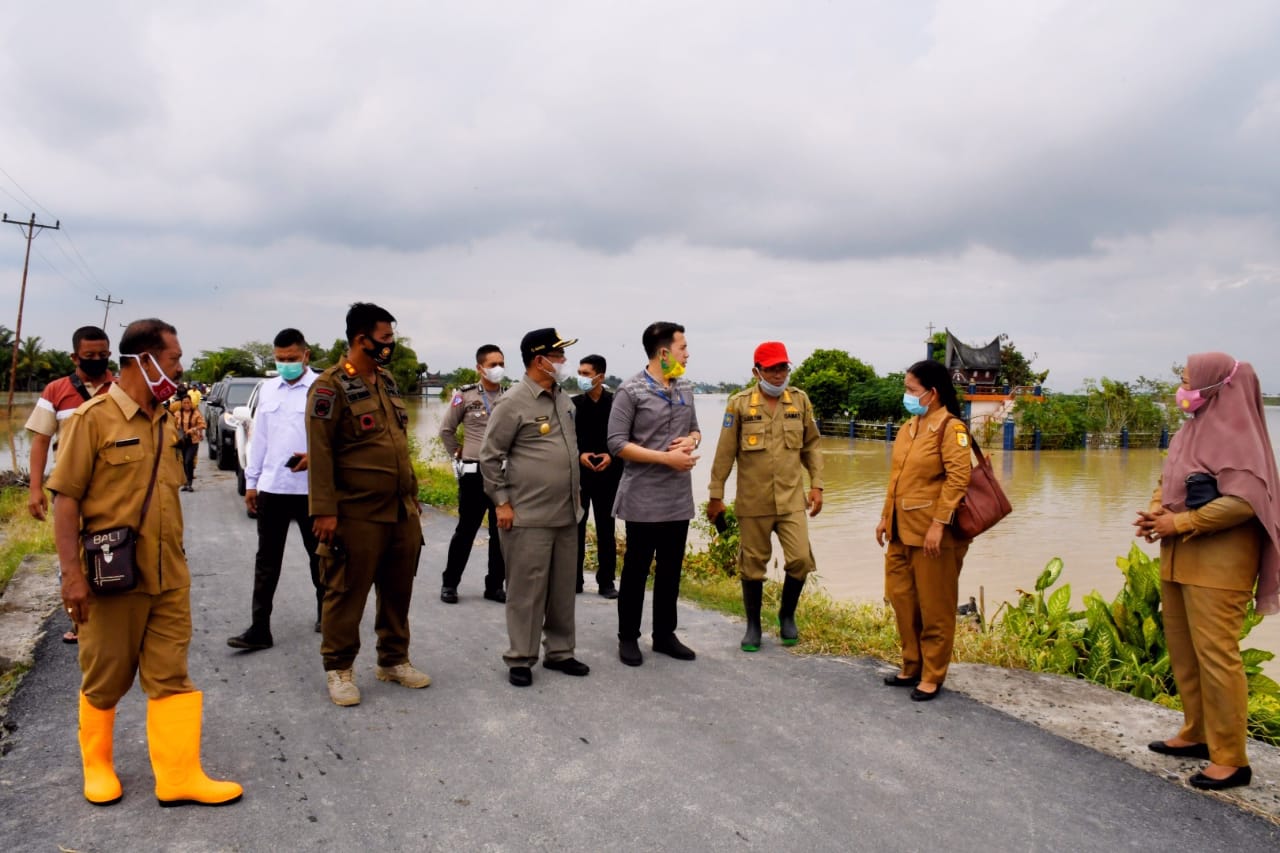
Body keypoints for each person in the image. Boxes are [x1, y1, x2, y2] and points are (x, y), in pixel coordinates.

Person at [51, 318, 241, 807]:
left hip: (169, 576)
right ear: (144, 360)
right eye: (174, 358)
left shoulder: (166, 419)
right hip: (113, 578)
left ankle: (178, 776)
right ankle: (97, 767)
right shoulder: (92, 420)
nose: (180, 367)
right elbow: (66, 500)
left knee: (172, 676)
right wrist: (71, 577)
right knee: (105, 678)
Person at [1136, 353, 1280, 791]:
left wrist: (1179, 522)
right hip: (1179, 557)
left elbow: (1244, 500)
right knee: (1185, 651)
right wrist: (1157, 512)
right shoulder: (1190, 430)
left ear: (1218, 386)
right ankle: (1197, 734)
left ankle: (1232, 759)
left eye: (1187, 382)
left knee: (1217, 657)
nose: (1183, 390)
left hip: (1220, 564)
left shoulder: (1241, 439)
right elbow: (1171, 480)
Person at [307, 303, 430, 707]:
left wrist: (412, 496)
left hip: (399, 511)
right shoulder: (330, 387)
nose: (390, 345)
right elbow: (320, 452)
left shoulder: (389, 382)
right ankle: (339, 668)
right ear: (362, 340)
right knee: (345, 593)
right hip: (354, 512)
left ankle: (393, 660)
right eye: (386, 339)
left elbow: (397, 447)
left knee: (398, 590)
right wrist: (324, 510)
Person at [479, 328, 589, 687]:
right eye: (558, 356)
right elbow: (490, 457)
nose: (563, 362)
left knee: (561, 591)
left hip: (566, 513)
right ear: (540, 360)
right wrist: (502, 503)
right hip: (527, 515)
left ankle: (560, 652)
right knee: (527, 592)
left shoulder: (562, 398)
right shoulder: (513, 402)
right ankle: (521, 659)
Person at [707, 342, 824, 652]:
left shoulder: (799, 401)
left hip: (791, 501)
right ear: (756, 371)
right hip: (753, 502)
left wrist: (818, 485)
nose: (778, 374)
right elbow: (724, 454)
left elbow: (812, 445)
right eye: (771, 368)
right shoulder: (739, 404)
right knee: (752, 566)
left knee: (800, 558)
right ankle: (753, 625)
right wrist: (716, 495)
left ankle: (787, 615)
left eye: (783, 367)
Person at [874, 359, 971, 702]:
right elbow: (897, 478)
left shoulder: (951, 428)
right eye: (906, 389)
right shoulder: (909, 428)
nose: (907, 396)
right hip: (901, 532)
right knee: (902, 600)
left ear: (932, 393)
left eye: (912, 390)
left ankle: (932, 674)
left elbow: (959, 479)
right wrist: (885, 517)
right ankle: (910, 664)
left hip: (934, 535)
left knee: (935, 607)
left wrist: (939, 525)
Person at [607, 321, 701, 666]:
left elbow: (695, 430)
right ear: (663, 353)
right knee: (636, 569)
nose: (687, 354)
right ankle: (628, 637)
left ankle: (664, 635)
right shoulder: (630, 391)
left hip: (678, 496)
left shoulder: (686, 388)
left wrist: (692, 441)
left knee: (671, 569)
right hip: (643, 496)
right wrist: (666, 458)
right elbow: (616, 443)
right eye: (682, 348)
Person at [227, 328, 325, 652]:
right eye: (280, 359)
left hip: (312, 490)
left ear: (306, 356)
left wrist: (317, 458)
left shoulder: (323, 389)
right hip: (273, 488)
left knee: (320, 557)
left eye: (292, 359)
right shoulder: (267, 390)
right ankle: (259, 628)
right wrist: (251, 483)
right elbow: (260, 440)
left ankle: (327, 613)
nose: (286, 364)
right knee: (266, 561)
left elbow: (337, 438)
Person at [25, 325, 114, 643]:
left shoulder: (118, 389)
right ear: (75, 357)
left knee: (111, 549)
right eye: (90, 356)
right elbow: (40, 441)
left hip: (110, 489)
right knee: (71, 554)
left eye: (103, 355)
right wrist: (36, 489)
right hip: (68, 491)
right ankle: (80, 620)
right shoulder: (56, 391)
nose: (97, 360)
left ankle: (110, 615)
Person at [439, 344, 508, 604]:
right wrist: (456, 451)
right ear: (479, 368)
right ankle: (450, 584)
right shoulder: (465, 396)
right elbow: (446, 430)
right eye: (492, 365)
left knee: (500, 532)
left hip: (502, 474)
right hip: (474, 473)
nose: (498, 369)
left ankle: (494, 586)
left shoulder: (510, 397)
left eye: (501, 363)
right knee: (466, 530)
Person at [573, 354, 623, 598]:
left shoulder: (616, 404)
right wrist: (580, 454)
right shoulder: (572, 404)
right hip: (580, 476)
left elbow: (625, 439)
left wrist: (611, 457)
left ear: (600, 377)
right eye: (580, 372)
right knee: (576, 529)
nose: (581, 377)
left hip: (608, 475)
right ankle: (574, 579)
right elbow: (566, 439)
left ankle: (606, 582)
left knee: (606, 529)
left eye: (586, 373)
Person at [172, 392, 206, 491]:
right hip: (182, 441)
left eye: (188, 403)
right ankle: (186, 482)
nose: (186, 405)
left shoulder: (196, 413)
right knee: (182, 462)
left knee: (188, 461)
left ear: (191, 403)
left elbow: (203, 425)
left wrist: (193, 429)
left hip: (193, 441)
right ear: (181, 404)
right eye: (184, 403)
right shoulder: (177, 414)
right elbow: (172, 425)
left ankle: (190, 482)